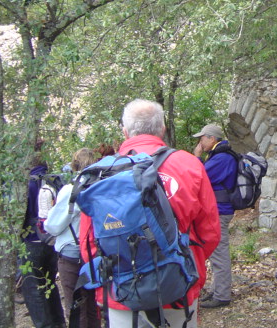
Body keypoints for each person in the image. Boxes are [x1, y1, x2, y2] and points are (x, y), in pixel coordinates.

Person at [80, 99, 221, 327]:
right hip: (178, 286)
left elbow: (88, 242)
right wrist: (184, 261)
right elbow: (210, 232)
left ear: (125, 132)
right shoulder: (189, 165)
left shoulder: (100, 174)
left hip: (122, 292)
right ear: (162, 129)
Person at [44, 148, 100, 328]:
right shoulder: (99, 187)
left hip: (72, 255)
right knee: (92, 307)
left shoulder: (71, 190)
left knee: (76, 308)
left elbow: (53, 225)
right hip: (95, 254)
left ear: (74, 164)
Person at [21, 140, 66, 328]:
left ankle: (45, 325)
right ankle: (58, 322)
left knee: (33, 290)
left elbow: (20, 216)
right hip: (52, 240)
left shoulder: (26, 184)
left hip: (32, 241)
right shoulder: (55, 180)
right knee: (49, 284)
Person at [192, 123, 238, 309]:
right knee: (215, 251)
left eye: (202, 138)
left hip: (220, 211)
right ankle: (217, 289)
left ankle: (222, 295)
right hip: (218, 210)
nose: (200, 142)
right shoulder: (219, 155)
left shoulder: (222, 158)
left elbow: (198, 176)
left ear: (212, 139)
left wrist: (196, 157)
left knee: (219, 252)